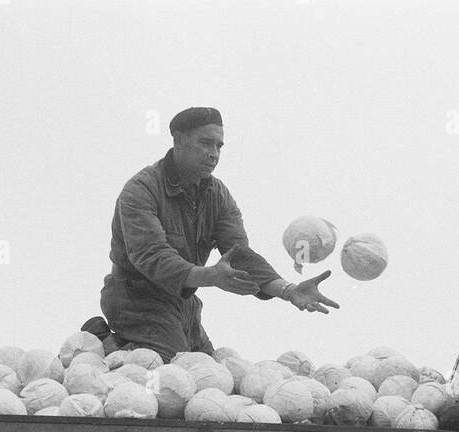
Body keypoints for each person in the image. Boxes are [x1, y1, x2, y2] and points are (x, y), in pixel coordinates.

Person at [85, 106, 338, 360]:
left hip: (183, 302)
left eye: (219, 146)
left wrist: (288, 290)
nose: (214, 154)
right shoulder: (141, 190)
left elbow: (239, 256)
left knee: (205, 366)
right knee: (168, 364)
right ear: (178, 140)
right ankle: (100, 340)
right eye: (206, 143)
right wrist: (211, 276)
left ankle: (127, 343)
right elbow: (152, 257)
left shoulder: (218, 195)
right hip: (134, 299)